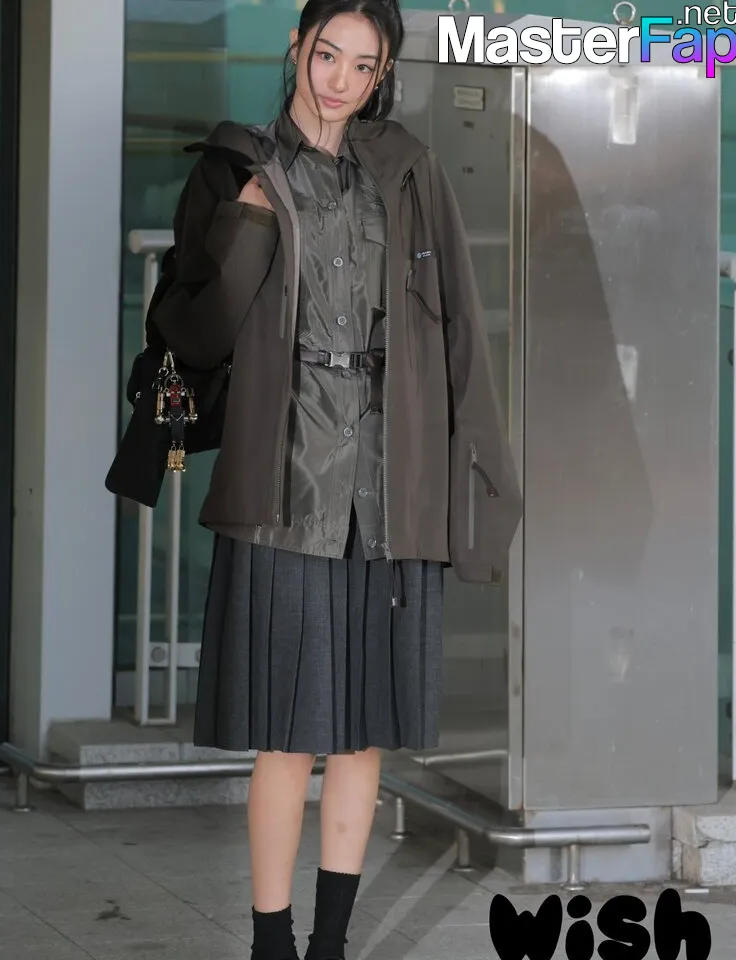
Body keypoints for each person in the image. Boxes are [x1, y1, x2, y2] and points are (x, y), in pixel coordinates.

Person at [149, 1, 522, 957]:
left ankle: (329, 947)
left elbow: (460, 329)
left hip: (391, 484)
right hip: (283, 484)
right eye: (327, 55)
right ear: (297, 48)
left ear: (382, 74)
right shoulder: (235, 166)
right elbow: (192, 334)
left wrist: (480, 473)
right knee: (285, 735)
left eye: (363, 66)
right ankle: (271, 942)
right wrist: (247, 225)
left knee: (361, 735)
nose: (339, 81)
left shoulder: (406, 169)